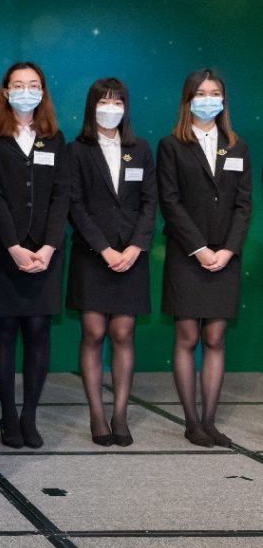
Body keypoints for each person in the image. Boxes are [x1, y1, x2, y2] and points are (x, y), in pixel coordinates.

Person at [0, 62, 68, 450]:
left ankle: (30, 416)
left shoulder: (55, 138)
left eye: (33, 85)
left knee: (38, 331)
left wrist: (47, 246)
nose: (26, 91)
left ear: (43, 92)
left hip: (45, 251)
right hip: (3, 250)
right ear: (5, 91)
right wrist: (14, 246)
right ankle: (8, 416)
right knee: (6, 329)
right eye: (18, 85)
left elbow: (62, 195)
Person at [157, 69, 251, 448]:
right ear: (188, 99)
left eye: (215, 93)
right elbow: (170, 201)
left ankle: (210, 420)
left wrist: (228, 250)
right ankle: (192, 421)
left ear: (224, 100)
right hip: (187, 253)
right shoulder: (171, 145)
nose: (208, 99)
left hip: (226, 254)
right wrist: (199, 248)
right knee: (187, 333)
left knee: (215, 335)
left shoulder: (236, 145)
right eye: (201, 92)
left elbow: (244, 204)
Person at [66, 79, 156, 447]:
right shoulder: (77, 150)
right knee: (94, 333)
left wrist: (136, 246)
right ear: (92, 107)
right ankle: (97, 416)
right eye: (104, 101)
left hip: (131, 256)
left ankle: (120, 415)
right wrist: (104, 249)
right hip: (93, 255)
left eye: (117, 101)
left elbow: (150, 203)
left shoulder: (141, 149)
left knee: (123, 333)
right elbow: (75, 205)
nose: (111, 107)